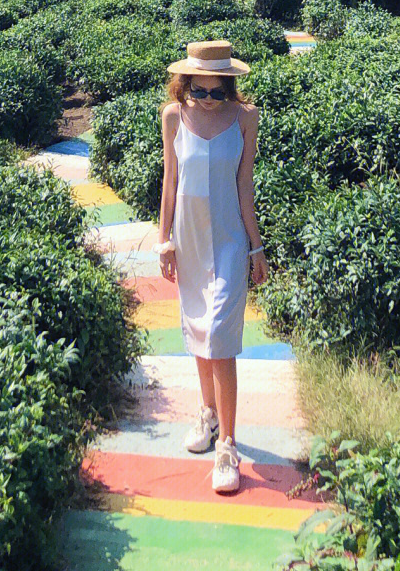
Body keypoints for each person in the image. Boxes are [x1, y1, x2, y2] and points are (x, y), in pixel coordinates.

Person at [154, 39, 269, 494]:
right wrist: (164, 241)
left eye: (214, 92)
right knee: (199, 329)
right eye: (196, 92)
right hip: (189, 239)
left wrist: (256, 249)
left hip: (226, 240)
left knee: (220, 334)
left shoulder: (246, 119)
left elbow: (245, 186)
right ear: (185, 84)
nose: (205, 100)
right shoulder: (172, 116)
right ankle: (207, 412)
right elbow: (170, 183)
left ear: (228, 85)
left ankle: (227, 444)